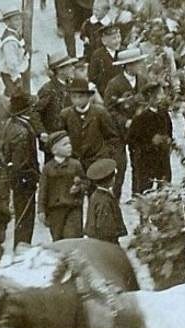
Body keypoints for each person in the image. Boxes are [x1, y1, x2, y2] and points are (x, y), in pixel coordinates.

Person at [104, 47, 151, 198]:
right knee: (120, 166)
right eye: (135, 63)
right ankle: (115, 197)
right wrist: (124, 121)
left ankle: (137, 195)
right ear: (127, 65)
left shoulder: (144, 81)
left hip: (137, 131)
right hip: (117, 132)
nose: (138, 66)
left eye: (139, 62)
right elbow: (109, 110)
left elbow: (148, 102)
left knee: (139, 162)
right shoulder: (114, 84)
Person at [0, 91, 39, 249]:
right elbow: (21, 163)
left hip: (18, 180)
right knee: (25, 217)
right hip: (24, 181)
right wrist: (34, 176)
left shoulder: (13, 125)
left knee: (22, 216)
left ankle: (21, 246)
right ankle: (22, 248)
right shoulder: (22, 132)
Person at [59, 79, 118, 173]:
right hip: (74, 162)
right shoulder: (65, 114)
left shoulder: (100, 112)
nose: (77, 100)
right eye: (74, 97)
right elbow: (61, 137)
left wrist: (105, 155)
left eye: (81, 97)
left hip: (96, 160)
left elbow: (112, 137)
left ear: (88, 96)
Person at [37, 131, 85, 241]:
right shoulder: (48, 168)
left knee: (72, 237)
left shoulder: (75, 164)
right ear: (54, 150)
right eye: (65, 145)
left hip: (73, 207)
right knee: (57, 239)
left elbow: (85, 182)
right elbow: (43, 190)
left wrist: (79, 187)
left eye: (69, 143)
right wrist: (41, 210)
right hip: (54, 210)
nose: (69, 147)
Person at [35, 52, 77, 162]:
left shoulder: (72, 86)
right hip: (54, 140)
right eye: (69, 66)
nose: (73, 68)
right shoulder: (48, 89)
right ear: (60, 70)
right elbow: (34, 112)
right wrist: (42, 132)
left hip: (70, 138)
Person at [84, 158, 127, 244]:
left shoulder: (96, 194)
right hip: (106, 241)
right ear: (111, 180)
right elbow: (105, 226)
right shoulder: (105, 200)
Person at [0, 8, 29, 97]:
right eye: (15, 20)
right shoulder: (9, 41)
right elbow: (11, 63)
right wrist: (16, 77)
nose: (19, 22)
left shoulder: (16, 34)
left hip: (16, 71)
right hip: (11, 74)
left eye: (20, 19)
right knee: (15, 96)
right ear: (7, 23)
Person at [89, 24, 123, 96]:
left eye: (119, 37)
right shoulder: (97, 55)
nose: (117, 41)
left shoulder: (124, 52)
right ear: (104, 41)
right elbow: (93, 77)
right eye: (114, 38)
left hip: (122, 91)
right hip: (105, 92)